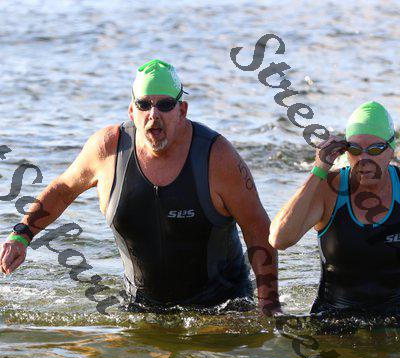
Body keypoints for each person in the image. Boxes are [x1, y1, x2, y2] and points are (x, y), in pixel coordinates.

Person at [0, 59, 280, 315]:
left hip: (222, 309)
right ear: (132, 111)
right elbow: (63, 189)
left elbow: (257, 229)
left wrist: (269, 306)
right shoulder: (108, 149)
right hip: (140, 308)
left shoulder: (217, 157)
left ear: (182, 111)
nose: (154, 114)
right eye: (144, 105)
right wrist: (21, 235)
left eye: (165, 105)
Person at [269, 100, 400, 315]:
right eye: (354, 149)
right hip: (333, 320)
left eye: (375, 149)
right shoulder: (329, 189)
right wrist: (318, 171)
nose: (364, 158)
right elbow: (279, 239)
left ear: (391, 150)